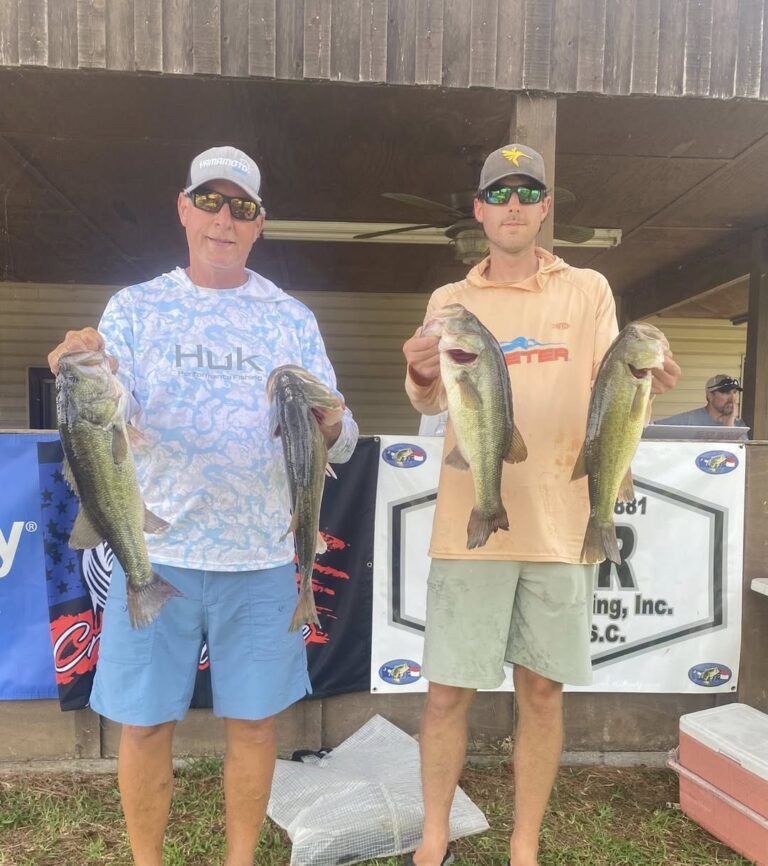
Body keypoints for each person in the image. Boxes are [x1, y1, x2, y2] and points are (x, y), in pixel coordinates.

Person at [48, 145, 358, 866]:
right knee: (145, 726)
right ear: (184, 209)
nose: (226, 218)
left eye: (242, 207)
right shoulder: (134, 308)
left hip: (261, 557)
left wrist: (337, 424)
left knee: (253, 726)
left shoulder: (292, 317)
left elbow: (338, 440)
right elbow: (107, 409)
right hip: (156, 553)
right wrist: (84, 364)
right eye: (211, 202)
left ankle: (240, 860)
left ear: (259, 224)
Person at [402, 143, 680, 866]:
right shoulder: (450, 304)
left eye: (528, 193)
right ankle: (434, 838)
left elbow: (611, 392)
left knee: (544, 694)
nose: (514, 206)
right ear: (479, 210)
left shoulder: (588, 290)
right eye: (500, 194)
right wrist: (417, 369)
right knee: (445, 696)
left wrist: (645, 383)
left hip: (561, 527)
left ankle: (525, 844)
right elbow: (433, 399)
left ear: (546, 207)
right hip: (471, 528)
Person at [656, 374, 748, 438]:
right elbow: (651, 429)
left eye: (735, 393)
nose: (732, 399)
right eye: (726, 392)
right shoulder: (689, 420)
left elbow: (742, 457)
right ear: (710, 396)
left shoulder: (739, 425)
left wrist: (729, 425)